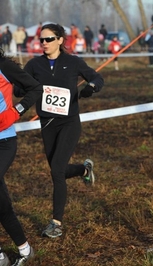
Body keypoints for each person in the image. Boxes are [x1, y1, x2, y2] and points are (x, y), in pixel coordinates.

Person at [14, 23, 104, 239]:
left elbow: (97, 78)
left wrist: (90, 88)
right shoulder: (34, 64)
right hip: (47, 124)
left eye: (49, 39)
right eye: (41, 40)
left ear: (61, 40)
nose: (44, 43)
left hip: (69, 123)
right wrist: (18, 81)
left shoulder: (73, 62)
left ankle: (56, 223)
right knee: (59, 170)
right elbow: (19, 90)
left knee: (56, 170)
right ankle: (84, 170)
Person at [0, 46, 42, 265]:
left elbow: (35, 88)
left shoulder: (4, 67)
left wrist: (16, 111)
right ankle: (22, 251)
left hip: (3, 141)